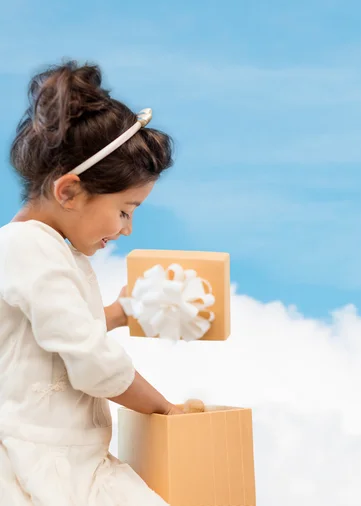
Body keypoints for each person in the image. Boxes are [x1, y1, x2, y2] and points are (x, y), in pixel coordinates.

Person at [0, 61, 181, 504]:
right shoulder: (28, 249)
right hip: (39, 462)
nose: (127, 229)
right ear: (69, 192)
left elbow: (56, 339)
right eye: (125, 210)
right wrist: (167, 410)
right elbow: (93, 364)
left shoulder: (48, 249)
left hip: (73, 455)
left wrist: (117, 315)